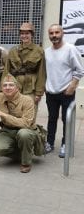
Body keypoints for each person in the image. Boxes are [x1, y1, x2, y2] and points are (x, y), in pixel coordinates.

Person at [0, 74, 39, 173]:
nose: (8, 88)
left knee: (23, 134)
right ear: (1, 88)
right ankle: (23, 151)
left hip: (26, 130)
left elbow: (26, 123)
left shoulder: (27, 100)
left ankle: (26, 162)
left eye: (11, 85)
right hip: (8, 130)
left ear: (17, 88)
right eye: (5, 85)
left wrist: (3, 115)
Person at [45, 24, 84, 158]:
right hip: (51, 92)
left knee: (66, 120)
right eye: (51, 33)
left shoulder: (70, 49)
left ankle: (65, 144)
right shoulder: (47, 52)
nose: (54, 35)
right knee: (51, 119)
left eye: (57, 32)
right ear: (49, 35)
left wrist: (72, 86)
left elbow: (79, 70)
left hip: (66, 92)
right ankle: (49, 143)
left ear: (62, 33)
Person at [3, 22, 46, 118]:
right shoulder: (13, 50)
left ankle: (28, 132)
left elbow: (41, 73)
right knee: (14, 114)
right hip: (15, 87)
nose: (24, 36)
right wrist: (4, 88)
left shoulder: (38, 50)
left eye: (27, 33)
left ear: (32, 35)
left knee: (29, 115)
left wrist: (39, 93)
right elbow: (7, 71)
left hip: (30, 88)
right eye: (22, 33)